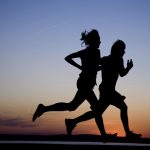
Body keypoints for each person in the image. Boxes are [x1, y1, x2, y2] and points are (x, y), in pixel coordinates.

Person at [65, 40, 142, 139]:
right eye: (123, 50)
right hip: (108, 92)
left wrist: (88, 64)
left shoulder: (106, 59)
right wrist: (129, 68)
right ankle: (127, 133)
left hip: (106, 90)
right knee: (120, 108)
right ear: (118, 50)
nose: (124, 52)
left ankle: (72, 122)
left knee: (97, 112)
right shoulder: (118, 60)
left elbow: (95, 64)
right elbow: (122, 74)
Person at [32, 29, 102, 125]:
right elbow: (67, 58)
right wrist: (80, 67)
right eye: (98, 40)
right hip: (84, 83)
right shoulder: (85, 52)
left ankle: (44, 108)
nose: (100, 42)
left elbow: (94, 68)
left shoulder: (97, 52)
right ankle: (102, 135)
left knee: (72, 106)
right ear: (93, 41)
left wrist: (102, 67)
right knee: (97, 108)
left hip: (88, 84)